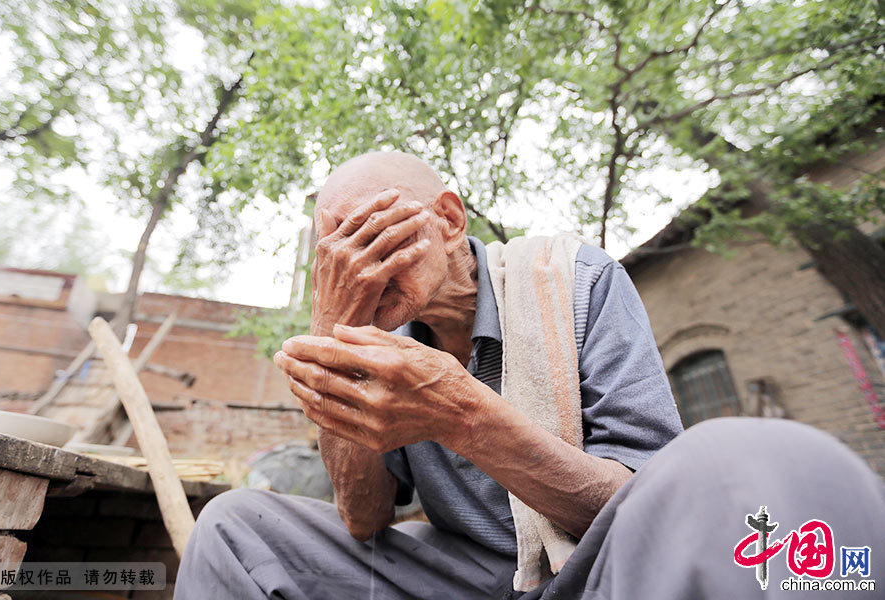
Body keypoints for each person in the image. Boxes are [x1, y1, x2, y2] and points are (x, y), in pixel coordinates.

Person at [175, 152, 885, 599]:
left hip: (589, 570)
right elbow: (363, 521)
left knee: (753, 458)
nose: (361, 268)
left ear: (448, 219)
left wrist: (463, 417)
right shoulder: (378, 341)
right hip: (464, 575)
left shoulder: (572, 282)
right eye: (337, 256)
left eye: (377, 237)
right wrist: (335, 338)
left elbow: (647, 510)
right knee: (237, 522)